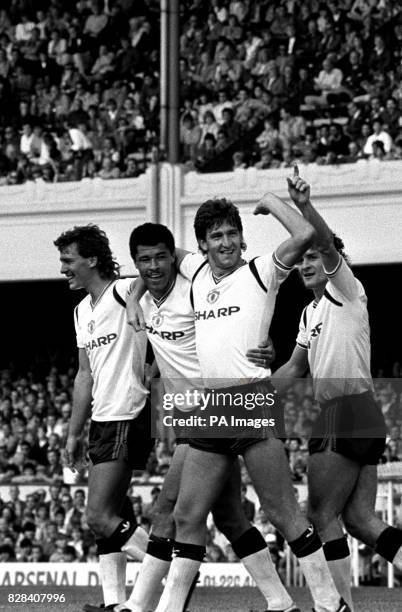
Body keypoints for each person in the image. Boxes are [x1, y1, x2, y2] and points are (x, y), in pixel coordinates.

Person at [151, 175, 350, 612]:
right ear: (202, 245)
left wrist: (272, 202)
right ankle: (267, 604)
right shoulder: (197, 270)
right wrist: (130, 300)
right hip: (210, 407)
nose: (226, 242)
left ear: (242, 238)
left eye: (232, 233)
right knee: (188, 516)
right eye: (216, 235)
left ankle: (328, 604)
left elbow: (305, 235)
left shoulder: (261, 271)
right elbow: (155, 256)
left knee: (284, 513)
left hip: (250, 402)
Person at [118, 222, 300, 612]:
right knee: (231, 517)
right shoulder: (144, 300)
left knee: (170, 507)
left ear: (176, 257)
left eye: (161, 257)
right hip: (189, 416)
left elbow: (235, 327)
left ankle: (142, 606)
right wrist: (133, 299)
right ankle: (281, 601)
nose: (153, 267)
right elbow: (139, 284)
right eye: (144, 261)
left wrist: (267, 348)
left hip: (215, 409)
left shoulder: (193, 291)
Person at [272, 167, 402, 610]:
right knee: (361, 520)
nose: (305, 265)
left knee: (321, 516)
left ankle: (337, 607)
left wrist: (301, 207)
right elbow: (292, 369)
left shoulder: (347, 291)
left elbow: (325, 243)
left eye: (313, 258)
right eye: (301, 260)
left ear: (332, 263)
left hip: (343, 411)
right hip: (362, 413)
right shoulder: (310, 315)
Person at [54, 225, 153, 612]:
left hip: (128, 412)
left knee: (97, 515)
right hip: (102, 418)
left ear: (92, 259)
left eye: (68, 260)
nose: (63, 268)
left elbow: (155, 274)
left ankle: (175, 565)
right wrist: (73, 433)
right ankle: (114, 602)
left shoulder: (123, 290)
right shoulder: (81, 311)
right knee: (111, 513)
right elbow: (84, 375)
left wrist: (134, 301)